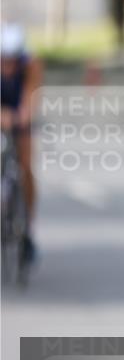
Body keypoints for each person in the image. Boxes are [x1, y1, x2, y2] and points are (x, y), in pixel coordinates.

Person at [1, 24, 44, 263]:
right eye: (3, 61)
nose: (8, 66)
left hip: (19, 112)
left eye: (12, 61)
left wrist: (25, 114)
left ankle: (27, 225)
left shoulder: (31, 64)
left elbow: (32, 94)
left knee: (26, 166)